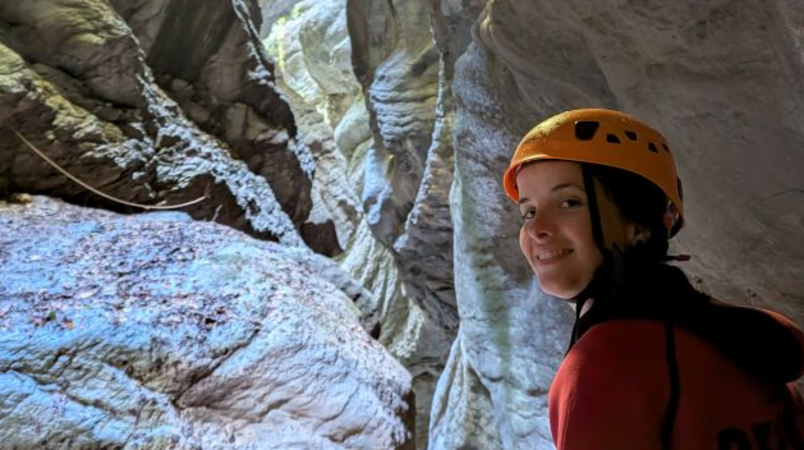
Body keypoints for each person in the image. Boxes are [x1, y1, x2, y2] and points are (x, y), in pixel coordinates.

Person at [502, 108, 804, 450]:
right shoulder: (744, 341)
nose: (537, 228)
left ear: (640, 224)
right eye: (529, 211)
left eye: (569, 202)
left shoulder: (603, 366)